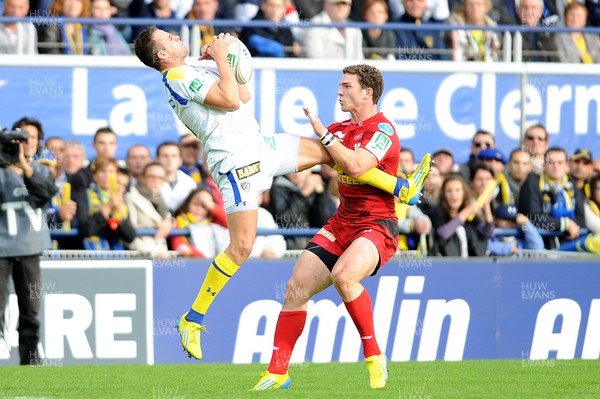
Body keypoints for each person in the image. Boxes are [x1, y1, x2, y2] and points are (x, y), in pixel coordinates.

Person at [133, 27, 431, 361]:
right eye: (169, 38)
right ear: (161, 55)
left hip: (259, 145)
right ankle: (193, 318)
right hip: (236, 163)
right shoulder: (176, 76)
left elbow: (241, 94)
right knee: (242, 246)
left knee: (330, 150)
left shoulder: (190, 70)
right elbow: (230, 100)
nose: (177, 37)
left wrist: (230, 56)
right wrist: (220, 58)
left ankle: (400, 186)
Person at [251, 64, 403, 391]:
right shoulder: (339, 129)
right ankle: (278, 372)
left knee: (344, 277)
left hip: (377, 225)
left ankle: (375, 356)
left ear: (368, 92)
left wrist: (323, 132)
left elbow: (356, 165)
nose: (339, 91)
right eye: (340, 85)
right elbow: (309, 155)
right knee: (296, 287)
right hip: (342, 222)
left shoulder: (383, 131)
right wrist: (262, 159)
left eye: (347, 86)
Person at [0, 133, 57, 365]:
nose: (24, 146)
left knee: (30, 310)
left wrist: (24, 165)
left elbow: (46, 193)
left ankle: (30, 360)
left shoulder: (40, 170)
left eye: (29, 141)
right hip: (2, 248)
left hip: (29, 247)